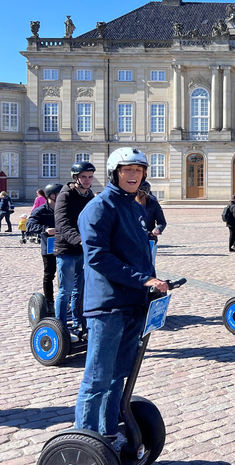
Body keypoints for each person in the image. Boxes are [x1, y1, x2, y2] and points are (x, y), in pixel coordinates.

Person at [74, 147, 168, 452]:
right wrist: (144, 279)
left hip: (134, 303)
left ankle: (109, 434)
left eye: (138, 171)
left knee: (119, 376)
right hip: (108, 305)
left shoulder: (136, 208)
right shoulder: (99, 208)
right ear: (115, 172)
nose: (133, 176)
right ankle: (84, 443)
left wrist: (151, 284)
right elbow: (99, 258)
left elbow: (140, 255)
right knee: (98, 379)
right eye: (128, 170)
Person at [53, 161, 96, 335]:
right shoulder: (65, 196)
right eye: (84, 177)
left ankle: (80, 323)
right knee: (66, 290)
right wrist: (79, 240)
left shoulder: (90, 196)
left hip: (82, 250)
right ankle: (60, 327)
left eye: (90, 177)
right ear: (76, 178)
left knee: (80, 290)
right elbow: (62, 223)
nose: (87, 180)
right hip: (66, 250)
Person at [27, 183, 63, 312]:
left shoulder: (64, 209)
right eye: (59, 194)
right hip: (49, 247)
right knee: (49, 274)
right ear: (51, 196)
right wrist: (45, 229)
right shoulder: (41, 211)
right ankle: (49, 302)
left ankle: (67, 302)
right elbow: (30, 226)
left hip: (65, 246)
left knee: (67, 274)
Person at [136, 181, 166, 264]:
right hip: (134, 240)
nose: (141, 196)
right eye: (139, 193)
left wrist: (158, 229)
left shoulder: (153, 204)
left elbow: (162, 222)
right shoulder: (130, 203)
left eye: (143, 194)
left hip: (150, 239)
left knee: (149, 265)